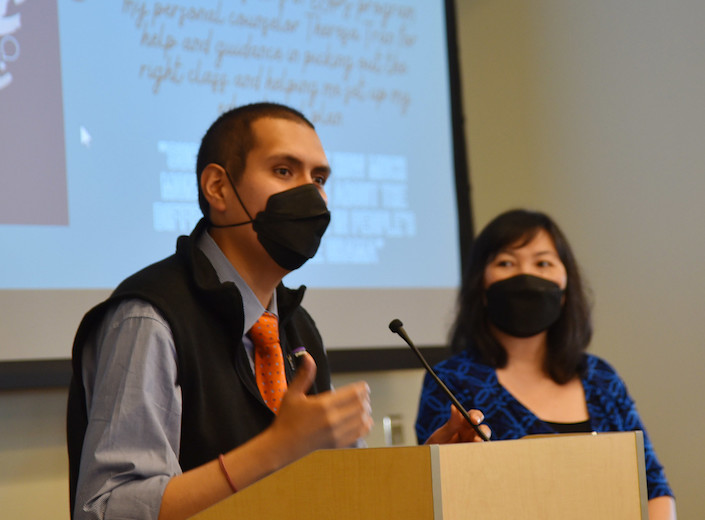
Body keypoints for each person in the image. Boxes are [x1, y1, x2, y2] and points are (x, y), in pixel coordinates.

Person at [67, 102, 489, 520]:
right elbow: (107, 508)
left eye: (319, 178)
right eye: (284, 171)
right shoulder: (150, 319)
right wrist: (274, 449)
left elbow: (336, 493)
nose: (311, 195)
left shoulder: (297, 327)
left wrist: (426, 465)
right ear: (218, 188)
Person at [415, 208, 676, 520]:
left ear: (565, 289)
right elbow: (436, 498)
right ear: (480, 287)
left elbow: (654, 489)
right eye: (506, 263)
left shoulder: (600, 378)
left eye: (543, 263)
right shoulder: (450, 381)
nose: (526, 276)